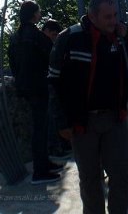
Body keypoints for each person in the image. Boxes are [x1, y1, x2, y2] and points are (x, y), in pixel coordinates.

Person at [48, 0, 128, 214]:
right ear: (91, 17)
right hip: (83, 123)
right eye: (107, 17)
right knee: (90, 180)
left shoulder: (117, 37)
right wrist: (62, 121)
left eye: (114, 15)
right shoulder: (70, 38)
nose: (113, 21)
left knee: (121, 175)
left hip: (113, 118)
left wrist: (126, 40)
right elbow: (54, 81)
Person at [8, 1, 63, 185]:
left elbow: (13, 63)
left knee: (40, 127)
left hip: (25, 87)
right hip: (38, 86)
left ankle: (44, 163)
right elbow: (52, 54)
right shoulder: (35, 35)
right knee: (41, 128)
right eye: (38, 12)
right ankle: (40, 172)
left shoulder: (16, 37)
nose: (40, 14)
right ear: (34, 15)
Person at [42, 19, 73, 161]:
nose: (55, 37)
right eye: (53, 34)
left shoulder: (44, 43)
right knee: (52, 118)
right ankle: (56, 148)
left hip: (46, 85)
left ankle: (60, 146)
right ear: (46, 31)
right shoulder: (43, 44)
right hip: (46, 86)